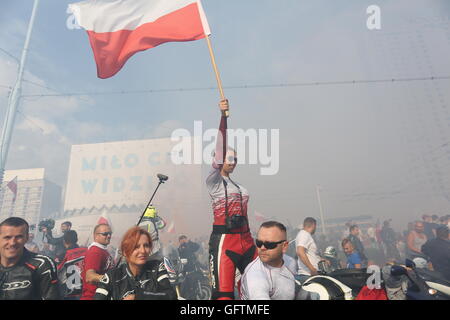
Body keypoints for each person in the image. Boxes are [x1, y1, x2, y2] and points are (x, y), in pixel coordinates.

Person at [206, 99, 257, 300]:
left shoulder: (241, 188)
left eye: (236, 158)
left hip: (246, 241)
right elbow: (220, 148)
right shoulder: (214, 183)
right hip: (224, 243)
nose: (233, 162)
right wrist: (223, 117)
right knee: (224, 296)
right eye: (229, 158)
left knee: (257, 290)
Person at [94, 226, 176, 300]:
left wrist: (139, 297)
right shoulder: (112, 276)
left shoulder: (156, 268)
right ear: (125, 251)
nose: (143, 251)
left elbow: (171, 296)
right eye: (136, 247)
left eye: (146, 245)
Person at [0, 217, 60, 300]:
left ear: (26, 238)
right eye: (7, 237)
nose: (12, 243)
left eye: (18, 237)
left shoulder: (41, 264)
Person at [240, 221, 297, 300]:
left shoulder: (291, 262)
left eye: (269, 244)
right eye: (259, 243)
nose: (262, 248)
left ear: (284, 246)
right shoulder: (255, 276)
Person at [80, 224, 114, 300]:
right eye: (105, 234)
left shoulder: (102, 250)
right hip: (93, 296)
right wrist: (112, 278)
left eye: (110, 233)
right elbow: (89, 277)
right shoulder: (95, 252)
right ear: (95, 235)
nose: (109, 236)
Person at [57, 230, 87, 300]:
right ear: (76, 239)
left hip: (69, 291)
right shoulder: (86, 251)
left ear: (64, 241)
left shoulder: (63, 255)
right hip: (84, 289)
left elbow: (56, 271)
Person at [295, 217, 324, 284]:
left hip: (309, 275)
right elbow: (300, 251)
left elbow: (309, 254)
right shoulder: (305, 235)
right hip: (308, 275)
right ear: (313, 225)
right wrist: (312, 269)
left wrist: (320, 259)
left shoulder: (304, 234)